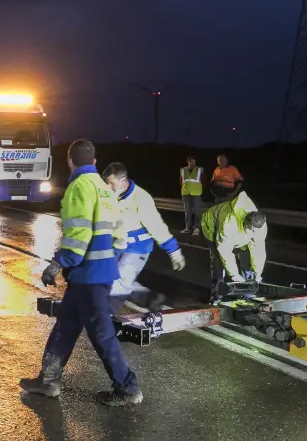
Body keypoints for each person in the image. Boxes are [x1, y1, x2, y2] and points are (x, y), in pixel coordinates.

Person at [20, 140, 142, 407]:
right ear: (95, 162)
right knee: (66, 325)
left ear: (69, 160)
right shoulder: (104, 188)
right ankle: (48, 380)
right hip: (96, 274)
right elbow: (121, 237)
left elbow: (78, 236)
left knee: (102, 333)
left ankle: (128, 388)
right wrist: (107, 258)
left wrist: (58, 263)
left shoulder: (79, 187)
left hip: (89, 276)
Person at [103, 162, 185, 313]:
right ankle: (150, 298)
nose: (108, 187)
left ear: (122, 181)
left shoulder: (141, 198)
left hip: (137, 249)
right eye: (106, 183)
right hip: (116, 247)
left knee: (117, 286)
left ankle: (105, 318)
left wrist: (173, 250)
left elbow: (157, 226)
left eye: (111, 183)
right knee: (106, 279)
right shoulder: (111, 195)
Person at [200, 191, 267, 304]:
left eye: (255, 232)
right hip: (211, 228)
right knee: (219, 262)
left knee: (247, 260)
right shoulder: (228, 223)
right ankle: (217, 295)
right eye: (251, 231)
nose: (254, 234)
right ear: (246, 223)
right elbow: (225, 251)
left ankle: (247, 292)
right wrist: (234, 274)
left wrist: (257, 273)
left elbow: (258, 250)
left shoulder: (260, 226)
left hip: (239, 234)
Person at [179, 155, 204, 234]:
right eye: (191, 162)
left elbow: (204, 181)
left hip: (196, 193)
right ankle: (188, 227)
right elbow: (181, 181)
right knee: (187, 211)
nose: (193, 163)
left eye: (194, 162)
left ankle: (197, 228)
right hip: (186, 193)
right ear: (188, 162)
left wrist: (200, 188)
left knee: (197, 211)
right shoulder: (183, 170)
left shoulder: (200, 169)